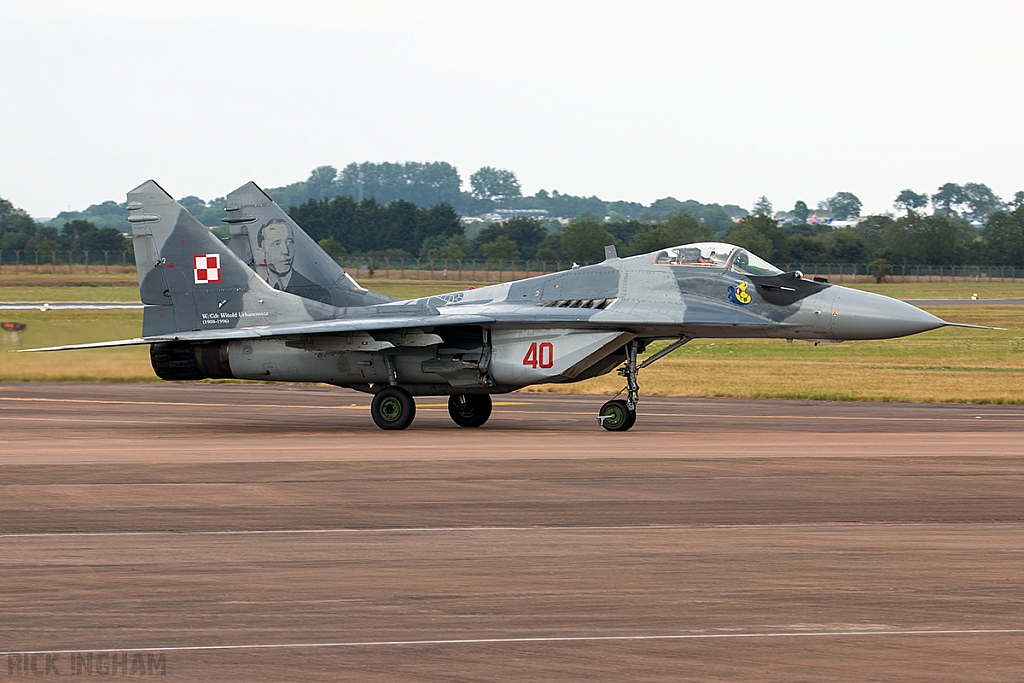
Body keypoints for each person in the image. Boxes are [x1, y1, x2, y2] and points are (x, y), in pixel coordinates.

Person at [256, 219, 331, 304]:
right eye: (276, 244)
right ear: (261, 252)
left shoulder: (317, 295)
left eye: (289, 242)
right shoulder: (256, 293)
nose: (286, 251)